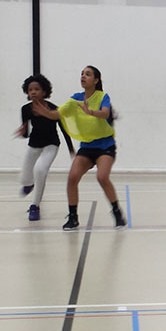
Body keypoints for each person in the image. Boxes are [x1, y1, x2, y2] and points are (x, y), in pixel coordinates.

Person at [33, 65, 126, 230]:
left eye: (88, 74)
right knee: (72, 178)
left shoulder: (102, 96)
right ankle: (73, 217)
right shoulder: (75, 99)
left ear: (96, 80)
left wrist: (91, 112)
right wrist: (45, 112)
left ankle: (117, 212)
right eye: (82, 74)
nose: (83, 76)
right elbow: (58, 114)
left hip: (105, 146)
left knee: (102, 177)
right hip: (87, 147)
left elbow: (105, 113)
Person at [15, 74, 74, 222]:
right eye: (30, 90)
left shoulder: (54, 109)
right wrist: (23, 132)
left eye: (37, 89)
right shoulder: (25, 109)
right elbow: (26, 132)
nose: (33, 92)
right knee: (24, 179)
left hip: (51, 145)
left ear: (44, 91)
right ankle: (29, 184)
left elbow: (64, 129)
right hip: (34, 144)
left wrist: (71, 148)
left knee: (40, 170)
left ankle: (35, 206)